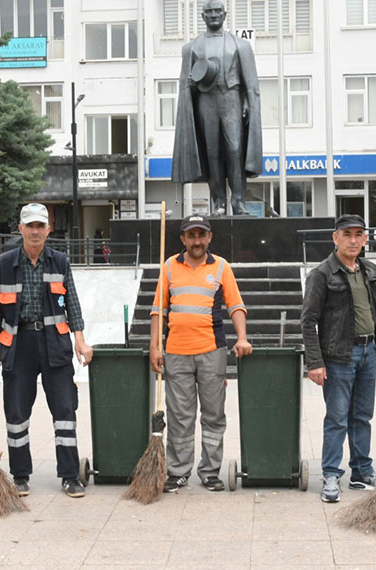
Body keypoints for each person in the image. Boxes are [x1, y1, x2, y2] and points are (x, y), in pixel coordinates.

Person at [0, 203, 93, 497]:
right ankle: (20, 475)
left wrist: (80, 341)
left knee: (64, 411)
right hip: (18, 346)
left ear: (48, 230)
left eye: (40, 226)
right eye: (29, 226)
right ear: (20, 229)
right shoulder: (5, 263)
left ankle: (70, 476)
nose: (35, 231)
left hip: (54, 345)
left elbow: (72, 304)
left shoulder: (60, 262)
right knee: (16, 412)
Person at [301, 214, 376, 503]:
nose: (354, 240)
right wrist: (315, 362)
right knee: (337, 418)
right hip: (337, 357)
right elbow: (308, 321)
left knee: (362, 416)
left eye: (359, 234)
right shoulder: (322, 274)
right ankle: (331, 474)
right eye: (347, 234)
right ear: (335, 238)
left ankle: (361, 471)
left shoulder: (370, 269)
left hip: (368, 353)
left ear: (365, 239)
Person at [150, 215, 252, 492]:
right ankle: (178, 471)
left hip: (211, 352)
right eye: (191, 236)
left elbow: (236, 306)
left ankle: (210, 472)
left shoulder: (221, 267)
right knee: (180, 416)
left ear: (209, 238)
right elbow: (158, 309)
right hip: (176, 352)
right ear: (183, 239)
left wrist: (242, 337)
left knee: (213, 415)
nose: (197, 241)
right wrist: (155, 347)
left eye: (201, 235)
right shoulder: (169, 266)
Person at [171, 0, 262, 216]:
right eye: (209, 12)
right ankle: (219, 202)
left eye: (217, 11)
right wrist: (192, 84)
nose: (213, 15)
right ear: (202, 17)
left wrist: (249, 104)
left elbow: (251, 82)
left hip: (231, 99)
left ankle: (238, 203)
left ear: (225, 14)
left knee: (234, 151)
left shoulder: (240, 45)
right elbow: (186, 85)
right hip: (206, 101)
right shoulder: (192, 47)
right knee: (212, 154)